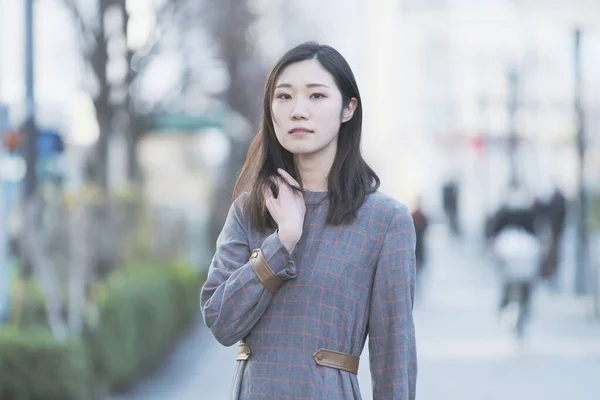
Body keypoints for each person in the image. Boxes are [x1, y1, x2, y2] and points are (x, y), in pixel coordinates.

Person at [200, 42, 417, 399]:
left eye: (317, 96)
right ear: (270, 110)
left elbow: (395, 357)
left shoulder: (385, 220)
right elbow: (222, 323)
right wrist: (281, 242)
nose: (298, 111)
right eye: (284, 97)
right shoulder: (249, 209)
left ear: (348, 108)